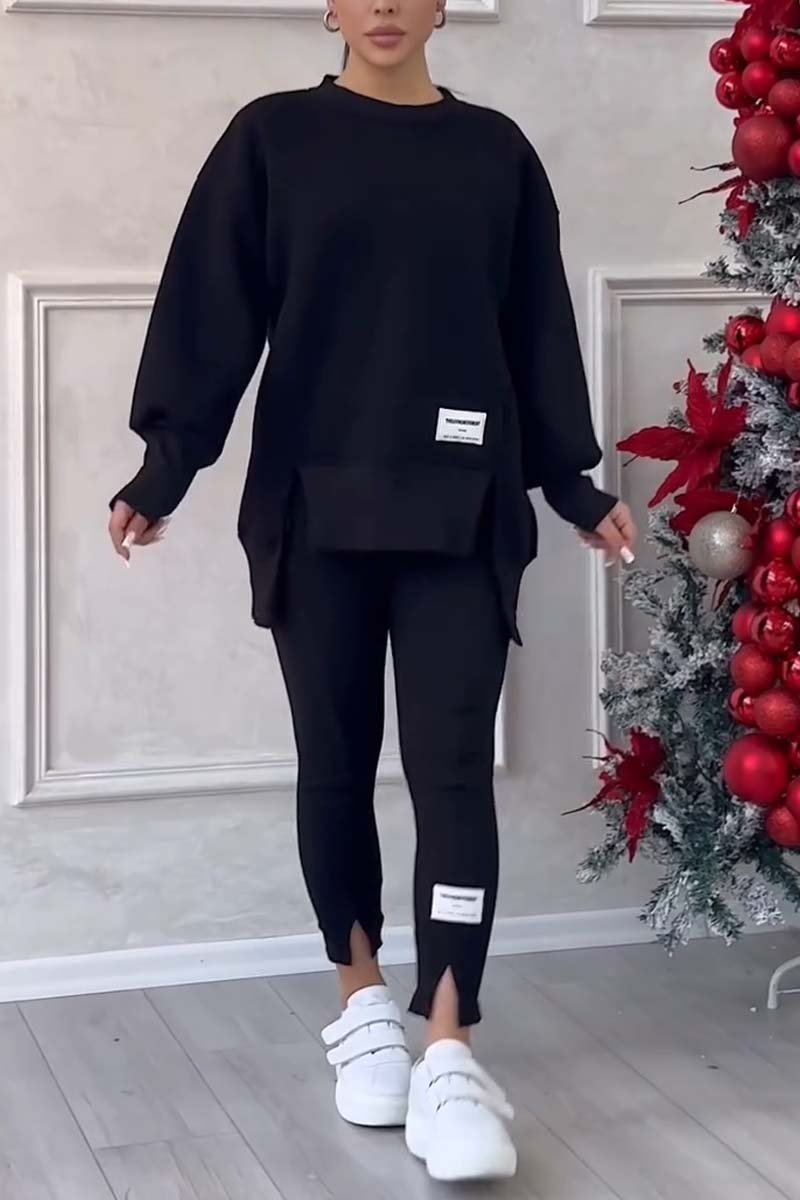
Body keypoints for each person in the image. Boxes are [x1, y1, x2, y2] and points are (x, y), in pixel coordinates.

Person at [108, 0, 637, 1183]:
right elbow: (211, 312)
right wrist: (166, 465)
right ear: (331, 7)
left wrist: (568, 479)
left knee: (451, 773)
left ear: (443, 3)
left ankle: (447, 1043)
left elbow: (533, 326)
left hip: (462, 510)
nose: (385, 6)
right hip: (313, 511)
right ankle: (361, 1009)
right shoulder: (271, 138)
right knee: (335, 762)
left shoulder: (494, 151)